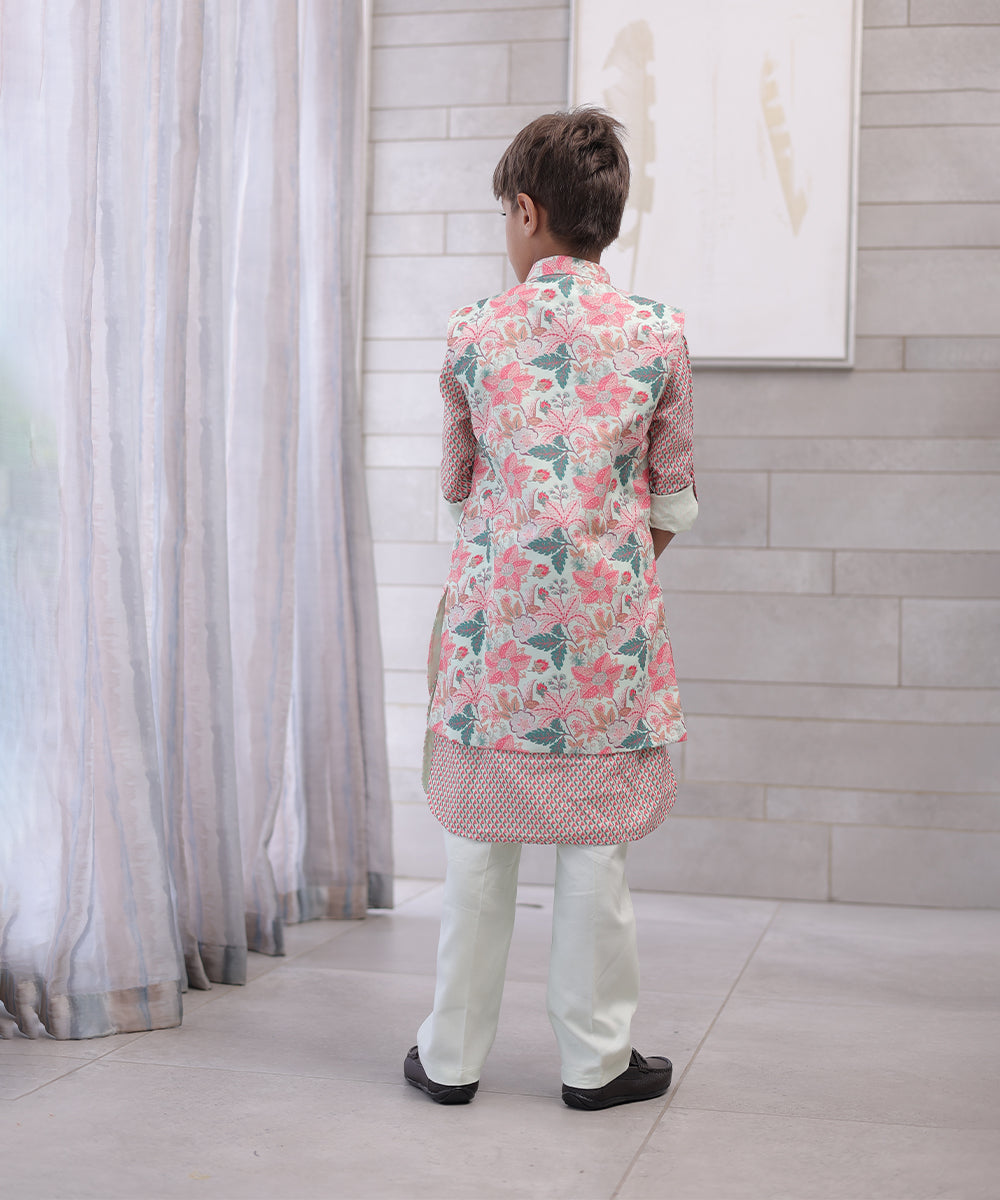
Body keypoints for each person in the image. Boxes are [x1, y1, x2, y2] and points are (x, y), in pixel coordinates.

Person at [403, 107, 698, 1111]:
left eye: (506, 214)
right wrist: (604, 570)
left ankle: (450, 1058)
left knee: (475, 846)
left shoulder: (473, 332)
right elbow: (671, 499)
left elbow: (460, 491)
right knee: (595, 848)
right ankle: (595, 1062)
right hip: (607, 637)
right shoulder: (657, 331)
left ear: (525, 211)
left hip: (493, 631)